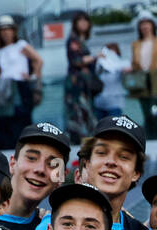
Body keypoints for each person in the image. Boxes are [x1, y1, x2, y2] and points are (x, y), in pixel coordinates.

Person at [0, 16, 43, 147]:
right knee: (7, 121)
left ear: (13, 31)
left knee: (23, 119)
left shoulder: (21, 45)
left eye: (8, 29)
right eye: (2, 30)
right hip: (5, 88)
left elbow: (38, 60)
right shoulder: (0, 50)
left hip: (20, 86)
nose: (5, 33)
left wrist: (32, 77)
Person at [130, 17, 157, 140]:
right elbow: (134, 62)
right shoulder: (136, 44)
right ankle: (148, 139)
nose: (145, 28)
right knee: (146, 112)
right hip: (142, 80)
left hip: (155, 80)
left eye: (147, 25)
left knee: (154, 111)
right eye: (142, 26)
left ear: (152, 27)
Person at [65, 13, 99, 141]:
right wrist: (95, 57)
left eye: (86, 21)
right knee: (79, 118)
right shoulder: (73, 40)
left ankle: (85, 148)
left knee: (85, 117)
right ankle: (79, 151)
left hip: (84, 86)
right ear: (75, 24)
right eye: (80, 21)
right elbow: (76, 60)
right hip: (76, 86)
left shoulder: (81, 40)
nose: (84, 23)